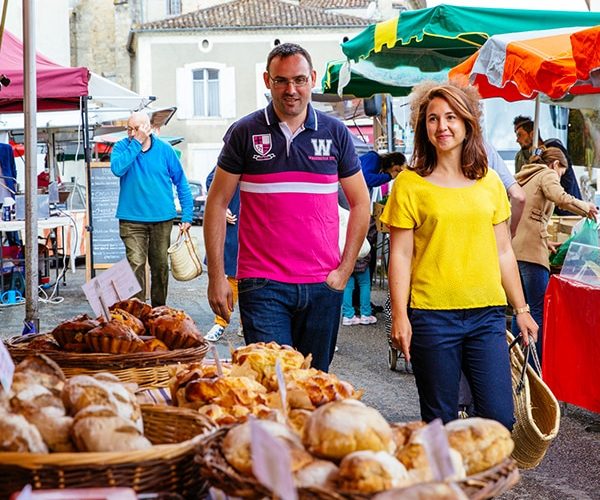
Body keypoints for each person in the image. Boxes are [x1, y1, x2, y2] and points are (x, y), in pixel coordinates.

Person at [203, 43, 370, 372]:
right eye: (281, 81)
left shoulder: (335, 133)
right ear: (267, 80)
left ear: (313, 79)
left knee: (314, 384)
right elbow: (216, 203)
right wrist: (216, 276)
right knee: (272, 381)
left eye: (299, 80)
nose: (290, 90)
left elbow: (361, 202)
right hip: (262, 285)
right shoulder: (245, 132)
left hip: (323, 285)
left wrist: (344, 270)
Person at [381, 81, 538, 429]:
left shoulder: (490, 183)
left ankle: (480, 482)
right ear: (424, 127)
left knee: (499, 420)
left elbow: (503, 252)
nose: (443, 127)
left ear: (468, 124)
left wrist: (523, 310)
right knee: (441, 422)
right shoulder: (410, 184)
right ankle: (448, 482)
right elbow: (401, 257)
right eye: (433, 119)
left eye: (451, 117)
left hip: (487, 317)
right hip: (432, 318)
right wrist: (400, 317)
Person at [511, 146, 598, 363]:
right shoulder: (547, 173)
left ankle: (516, 362)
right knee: (538, 310)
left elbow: (528, 218)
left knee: (520, 309)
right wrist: (585, 206)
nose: (560, 177)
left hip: (515, 252)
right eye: (562, 172)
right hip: (531, 254)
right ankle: (533, 368)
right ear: (556, 165)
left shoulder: (526, 176)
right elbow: (559, 197)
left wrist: (546, 240)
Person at [110, 111, 193, 307]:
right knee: (135, 264)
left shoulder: (165, 149)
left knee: (160, 267)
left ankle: (158, 310)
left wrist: (187, 215)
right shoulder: (122, 147)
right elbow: (117, 169)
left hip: (161, 218)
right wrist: (136, 143)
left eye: (135, 129)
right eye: (128, 128)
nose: (131, 133)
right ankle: (138, 312)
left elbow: (181, 182)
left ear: (147, 128)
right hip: (131, 219)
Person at [513, 115, 582, 215]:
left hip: (567, 211)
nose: (517, 140)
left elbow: (564, 184)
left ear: (532, 134)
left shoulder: (554, 149)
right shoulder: (522, 156)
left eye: (520, 135)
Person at [204, 166, 241, 342]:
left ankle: (245, 324)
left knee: (255, 281)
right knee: (233, 275)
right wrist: (223, 207)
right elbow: (212, 179)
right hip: (237, 223)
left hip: (261, 227)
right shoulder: (237, 149)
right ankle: (221, 322)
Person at [485, 142, 526, 238]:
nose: (517, 140)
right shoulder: (485, 149)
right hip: (488, 238)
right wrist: (510, 232)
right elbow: (519, 196)